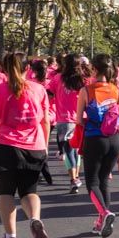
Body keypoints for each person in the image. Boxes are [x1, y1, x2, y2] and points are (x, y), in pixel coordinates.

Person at [0, 52, 53, 238]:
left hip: (6, 146)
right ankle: (34, 219)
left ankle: (10, 237)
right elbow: (45, 121)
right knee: (29, 191)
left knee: (6, 192)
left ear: (3, 69)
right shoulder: (39, 89)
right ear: (28, 68)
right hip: (34, 146)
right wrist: (45, 146)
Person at [76, 55, 119, 237]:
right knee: (104, 180)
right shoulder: (115, 89)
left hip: (95, 139)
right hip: (114, 139)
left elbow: (79, 120)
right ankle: (102, 222)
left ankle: (105, 213)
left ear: (94, 69)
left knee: (92, 183)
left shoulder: (86, 90)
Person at [48, 54, 87, 193]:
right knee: (76, 150)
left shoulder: (58, 78)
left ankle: (73, 178)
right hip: (81, 119)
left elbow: (49, 95)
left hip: (63, 119)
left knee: (68, 149)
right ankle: (76, 177)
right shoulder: (83, 79)